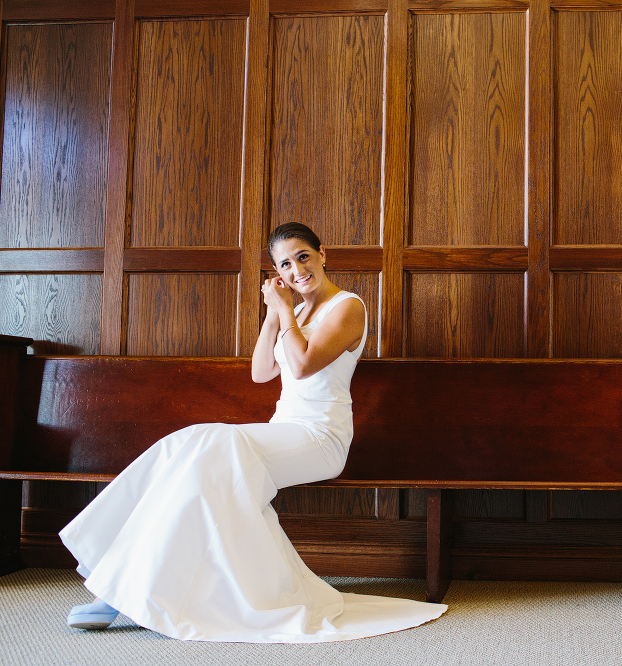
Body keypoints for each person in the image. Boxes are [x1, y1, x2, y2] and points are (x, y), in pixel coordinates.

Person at [58, 222, 447, 642]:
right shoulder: (294, 312)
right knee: (190, 442)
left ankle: (120, 592)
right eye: (285, 263)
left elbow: (300, 366)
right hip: (282, 431)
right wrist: (274, 314)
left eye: (303, 256)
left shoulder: (348, 307)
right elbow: (262, 372)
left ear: (322, 254)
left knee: (215, 443)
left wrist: (283, 310)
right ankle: (122, 583)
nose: (297, 270)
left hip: (320, 438)